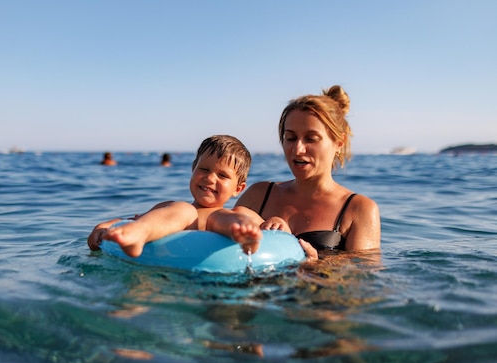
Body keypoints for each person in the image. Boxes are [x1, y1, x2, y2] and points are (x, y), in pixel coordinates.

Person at [207, 85, 381, 259]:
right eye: (290, 138)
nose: (297, 149)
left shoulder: (359, 209)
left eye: (311, 139)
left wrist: (318, 266)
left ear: (338, 143)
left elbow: (361, 278)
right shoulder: (259, 195)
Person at [87, 135, 255, 258]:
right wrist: (105, 226)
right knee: (184, 209)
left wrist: (274, 222)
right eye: (204, 169)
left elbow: (277, 231)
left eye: (222, 175)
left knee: (228, 216)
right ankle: (139, 234)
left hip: (218, 270)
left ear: (238, 189)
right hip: (168, 271)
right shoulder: (170, 209)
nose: (210, 178)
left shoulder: (240, 214)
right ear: (193, 169)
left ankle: (241, 235)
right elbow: (132, 219)